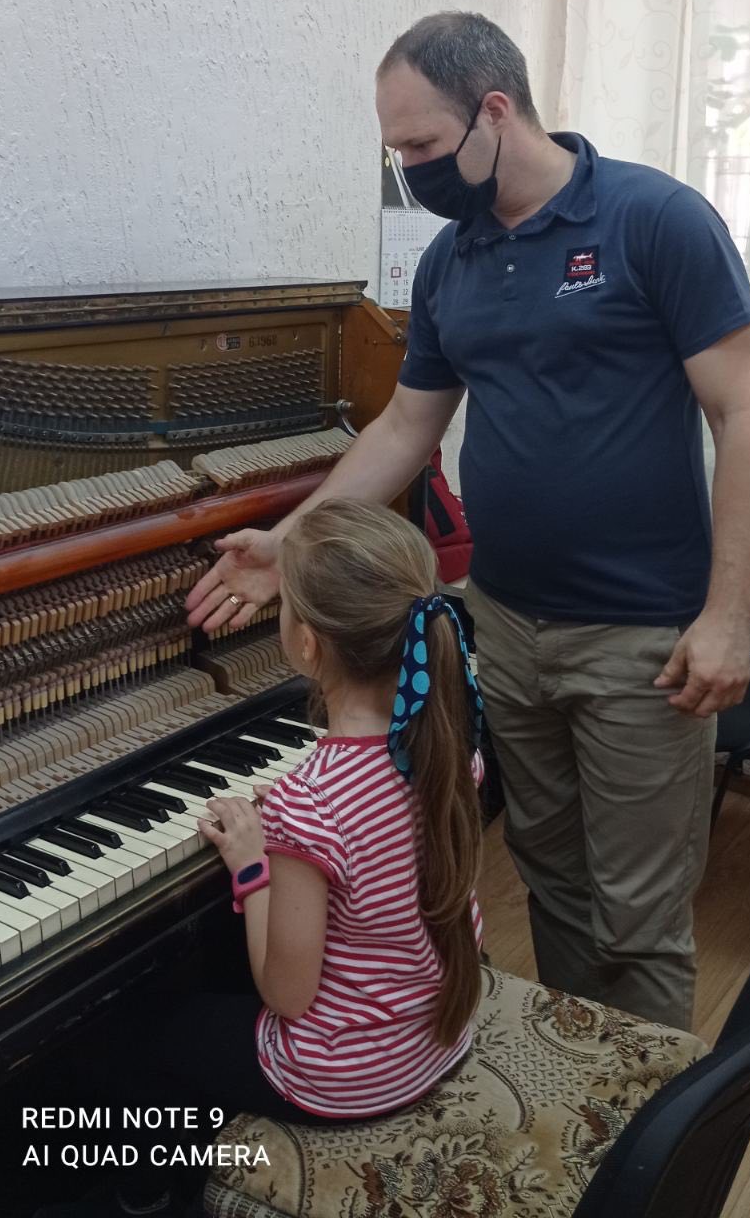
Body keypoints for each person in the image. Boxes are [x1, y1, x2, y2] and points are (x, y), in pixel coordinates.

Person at [187, 11, 750, 1032]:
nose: (410, 170)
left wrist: (728, 615)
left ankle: (645, 1120)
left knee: (638, 916)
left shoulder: (655, 220)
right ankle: (569, 1069)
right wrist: (291, 544)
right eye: (396, 150)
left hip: (643, 637)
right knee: (548, 874)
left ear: (495, 111)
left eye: (422, 144)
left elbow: (747, 414)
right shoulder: (450, 263)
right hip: (505, 625)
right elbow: (404, 426)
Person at [39, 499, 485, 1218]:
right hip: (433, 1038)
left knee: (130, 1036)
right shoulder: (447, 743)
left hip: (343, 1077)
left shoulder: (312, 802)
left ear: (306, 644)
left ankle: (148, 1197)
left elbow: (286, 995)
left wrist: (253, 866)